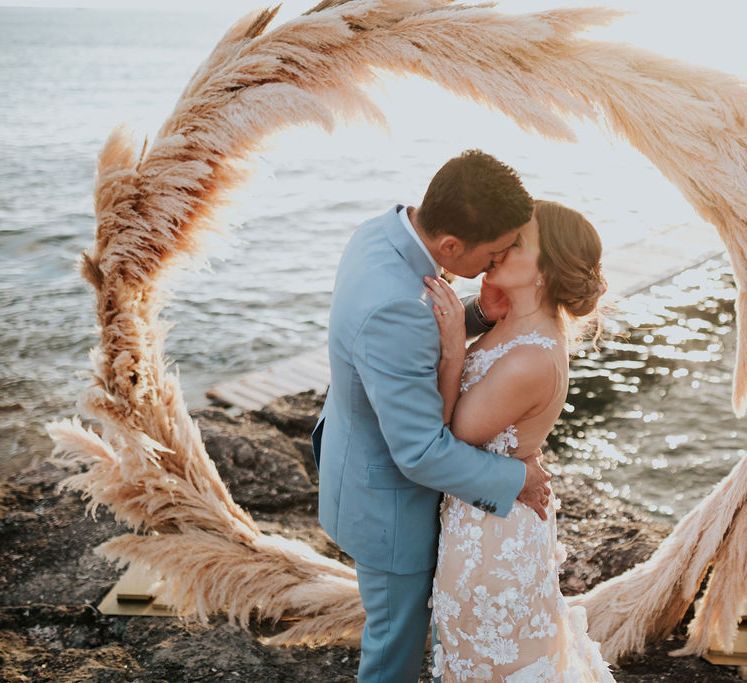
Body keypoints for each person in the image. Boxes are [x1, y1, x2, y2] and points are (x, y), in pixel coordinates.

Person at [310, 150, 553, 682]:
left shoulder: (379, 234)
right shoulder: (395, 305)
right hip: (388, 506)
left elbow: (404, 352)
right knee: (393, 650)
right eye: (492, 254)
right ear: (450, 246)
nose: (499, 261)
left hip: (354, 461)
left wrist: (477, 315)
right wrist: (518, 479)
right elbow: (418, 451)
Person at [425, 199, 615, 681]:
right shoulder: (512, 322)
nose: (502, 246)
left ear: (544, 272)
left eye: (518, 242)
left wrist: (453, 348)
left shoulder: (533, 357)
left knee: (492, 661)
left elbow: (454, 432)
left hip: (494, 531)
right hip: (479, 511)